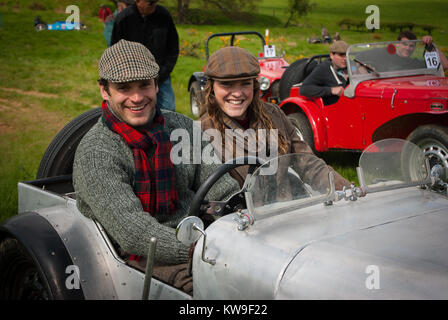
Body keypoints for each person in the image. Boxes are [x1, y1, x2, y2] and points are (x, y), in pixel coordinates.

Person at [72, 40, 239, 294]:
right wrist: (203, 249)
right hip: (141, 255)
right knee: (216, 290)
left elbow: (221, 187)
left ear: (156, 85)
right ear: (104, 90)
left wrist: (241, 221)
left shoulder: (180, 127)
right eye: (124, 89)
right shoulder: (97, 152)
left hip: (198, 234)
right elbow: (133, 232)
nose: (137, 98)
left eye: (144, 86)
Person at [200, 46, 350, 190]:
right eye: (227, 84)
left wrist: (347, 189)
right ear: (212, 87)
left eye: (245, 84)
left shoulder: (274, 115)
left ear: (254, 86)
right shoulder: (202, 131)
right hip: (241, 215)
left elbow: (309, 165)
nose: (237, 93)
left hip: (285, 208)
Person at [111, 0, 179, 111]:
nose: (153, 6)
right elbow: (115, 49)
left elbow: (173, 46)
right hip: (131, 77)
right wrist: (126, 75)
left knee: (169, 109)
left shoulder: (164, 16)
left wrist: (164, 71)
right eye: (150, 3)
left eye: (155, 2)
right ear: (138, 1)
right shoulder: (124, 18)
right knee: (134, 110)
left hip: (161, 75)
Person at [299, 40, 349, 106]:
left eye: (347, 55)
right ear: (331, 55)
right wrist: (331, 90)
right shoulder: (323, 69)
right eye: (341, 55)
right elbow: (304, 89)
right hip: (334, 108)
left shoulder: (350, 67)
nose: (345, 58)